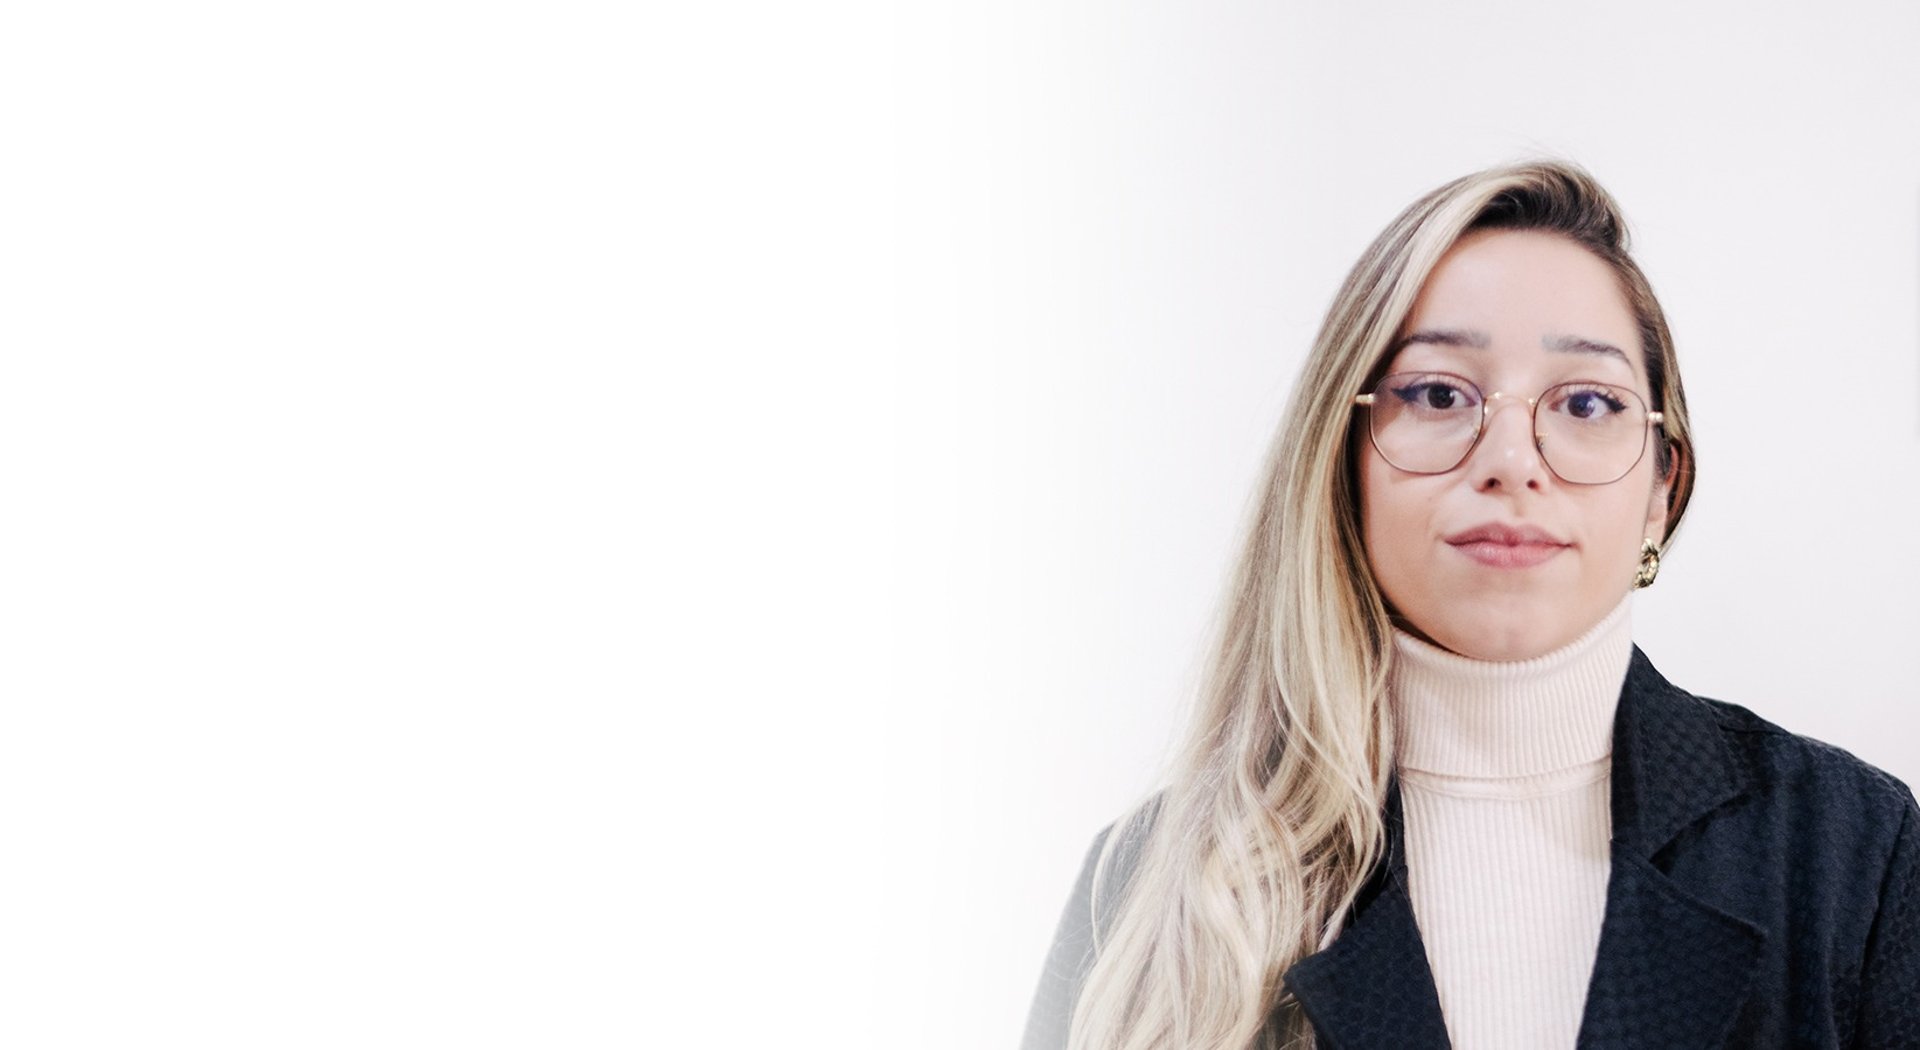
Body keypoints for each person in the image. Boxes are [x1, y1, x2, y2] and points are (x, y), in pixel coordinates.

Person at [1019, 160, 1920, 1050]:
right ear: (1344, 460)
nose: (1512, 460)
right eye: (1440, 394)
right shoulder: (1148, 885)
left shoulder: (1852, 854)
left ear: (1661, 489)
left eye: (1587, 402)